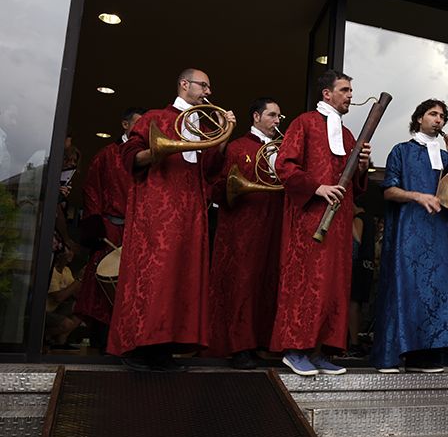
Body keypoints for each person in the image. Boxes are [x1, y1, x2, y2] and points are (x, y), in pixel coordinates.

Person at [109, 68, 234, 372]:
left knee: (181, 278)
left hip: (190, 211)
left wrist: (222, 136)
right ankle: (137, 347)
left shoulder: (202, 124)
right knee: (154, 276)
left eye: (209, 86)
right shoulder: (155, 117)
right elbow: (131, 156)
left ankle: (163, 349)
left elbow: (209, 170)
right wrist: (156, 152)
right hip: (158, 208)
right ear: (183, 84)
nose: (208, 91)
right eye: (202, 85)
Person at [271, 70, 371, 376]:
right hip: (310, 219)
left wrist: (363, 167)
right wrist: (318, 187)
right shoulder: (303, 123)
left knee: (334, 285)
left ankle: (321, 351)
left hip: (339, 224)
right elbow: (284, 167)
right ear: (327, 94)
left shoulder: (349, 135)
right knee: (306, 282)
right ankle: (295, 349)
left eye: (351, 90)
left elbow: (357, 183)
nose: (351, 95)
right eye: (344, 90)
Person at [370, 99, 448, 373]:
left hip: (441, 234)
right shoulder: (400, 151)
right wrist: (417, 196)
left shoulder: (445, 156)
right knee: (406, 289)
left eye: (441, 116)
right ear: (418, 119)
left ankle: (423, 358)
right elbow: (389, 190)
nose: (438, 120)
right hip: (410, 231)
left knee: (436, 293)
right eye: (432, 114)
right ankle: (390, 356)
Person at [207, 98, 283, 369]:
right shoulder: (238, 147)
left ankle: (262, 342)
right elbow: (218, 186)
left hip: (273, 224)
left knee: (268, 283)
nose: (277, 120)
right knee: (242, 284)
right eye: (272, 115)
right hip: (242, 227)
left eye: (278, 116)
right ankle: (240, 346)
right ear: (255, 117)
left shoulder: (282, 150)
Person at [74, 107, 144, 352]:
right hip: (110, 230)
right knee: (101, 289)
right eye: (138, 123)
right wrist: (95, 227)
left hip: (139, 232)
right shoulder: (107, 155)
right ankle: (100, 343)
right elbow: (91, 189)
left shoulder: (148, 157)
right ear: (125, 125)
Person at [347, 197, 376, 357]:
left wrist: (348, 222)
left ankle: (354, 342)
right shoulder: (371, 219)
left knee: (353, 303)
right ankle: (356, 339)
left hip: (358, 264)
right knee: (359, 304)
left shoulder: (359, 218)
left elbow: (357, 238)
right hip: (368, 264)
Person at [45, 249, 82, 350]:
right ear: (59, 255)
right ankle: (42, 337)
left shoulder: (66, 270)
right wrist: (79, 279)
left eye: (71, 250)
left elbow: (74, 292)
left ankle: (60, 342)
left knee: (81, 310)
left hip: (56, 309)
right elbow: (58, 298)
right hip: (44, 312)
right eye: (68, 250)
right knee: (67, 324)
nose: (71, 253)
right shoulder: (52, 271)